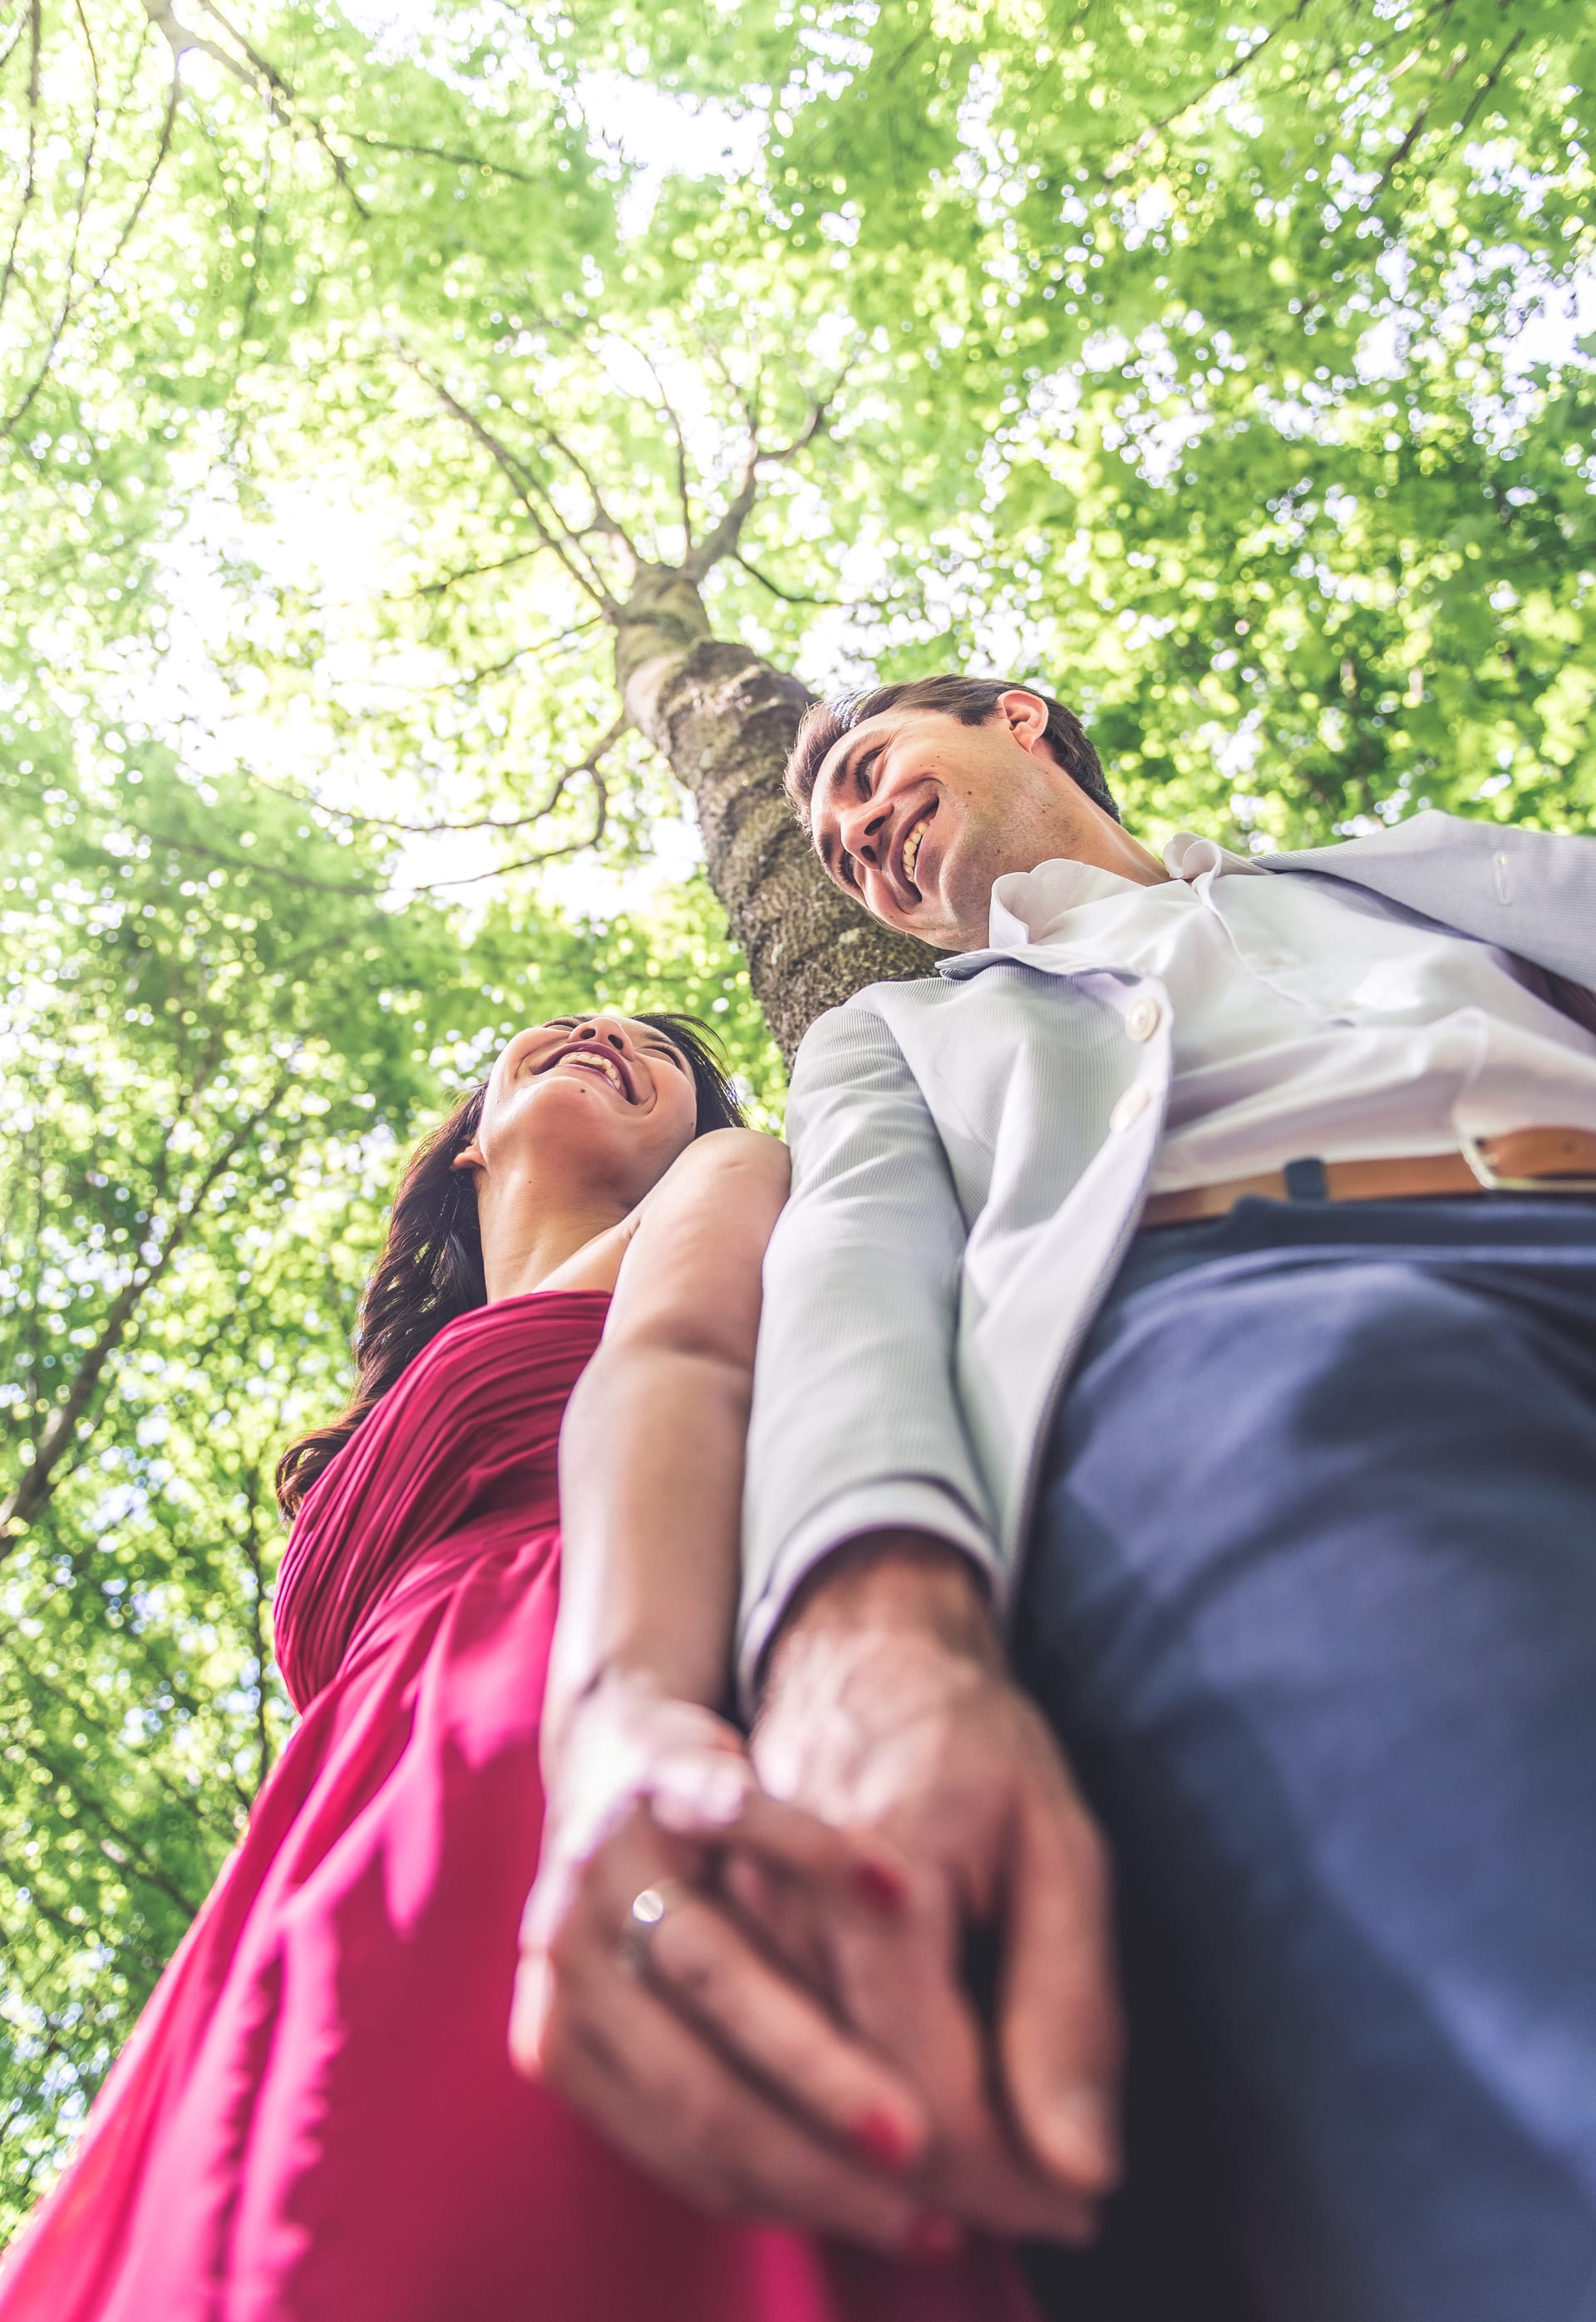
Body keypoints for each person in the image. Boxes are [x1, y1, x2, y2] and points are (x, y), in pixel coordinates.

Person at [528, 678, 1596, 2322]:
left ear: (1021, 720)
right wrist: (868, 1629)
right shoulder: (889, 1038)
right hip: (1275, 1341)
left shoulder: (1416, 869)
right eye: (835, 849)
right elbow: (852, 1281)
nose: (862, 837)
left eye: (874, 772)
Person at [0, 1006, 1035, 2322]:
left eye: (668, 1055)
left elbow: (695, 1360)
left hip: (579, 1675)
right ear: (469, 1149)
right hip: (334, 1824)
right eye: (560, 1030)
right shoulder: (362, 1432)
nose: (610, 1029)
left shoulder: (731, 1181)